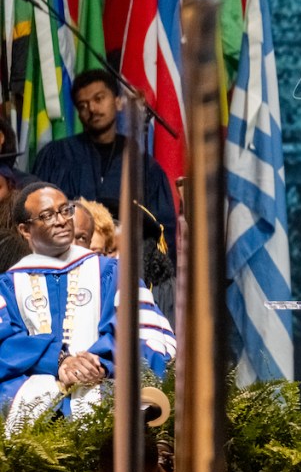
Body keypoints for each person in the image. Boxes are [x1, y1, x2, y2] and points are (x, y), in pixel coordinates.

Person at [0, 183, 176, 428]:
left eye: (65, 210)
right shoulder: (8, 286)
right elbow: (5, 343)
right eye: (48, 215)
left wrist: (100, 363)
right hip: (33, 404)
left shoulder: (113, 274)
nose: (61, 221)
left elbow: (143, 335)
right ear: (25, 230)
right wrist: (58, 360)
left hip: (105, 387)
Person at [31, 68, 176, 258]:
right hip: (67, 262)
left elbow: (164, 231)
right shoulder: (56, 157)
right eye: (83, 105)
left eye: (99, 99)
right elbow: (36, 214)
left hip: (128, 266)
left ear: (118, 102)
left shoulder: (144, 166)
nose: (91, 109)